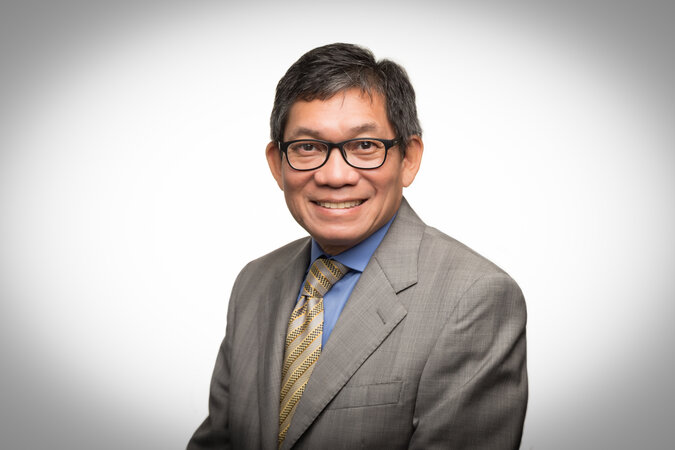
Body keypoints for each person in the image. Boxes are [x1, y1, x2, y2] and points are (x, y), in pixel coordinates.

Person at [188, 43, 527, 450]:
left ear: (409, 158)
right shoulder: (254, 283)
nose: (335, 176)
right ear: (277, 163)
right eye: (308, 147)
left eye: (364, 146)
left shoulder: (474, 298)